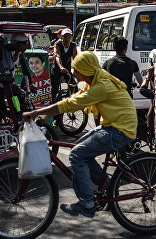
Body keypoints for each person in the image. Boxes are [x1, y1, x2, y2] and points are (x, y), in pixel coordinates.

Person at [23, 51, 137, 218]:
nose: (74, 73)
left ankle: (86, 203)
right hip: (115, 124)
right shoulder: (97, 77)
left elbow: (72, 103)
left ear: (85, 70)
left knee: (77, 154)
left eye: (76, 70)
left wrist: (35, 113)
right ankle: (108, 185)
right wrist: (47, 113)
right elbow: (77, 97)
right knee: (81, 151)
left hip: (120, 129)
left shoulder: (101, 86)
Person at [0, 33, 33, 120]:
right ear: (16, 43)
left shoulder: (20, 54)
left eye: (27, 43)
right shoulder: (5, 52)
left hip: (9, 85)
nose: (27, 46)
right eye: (24, 43)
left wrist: (31, 84)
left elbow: (25, 70)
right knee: (1, 113)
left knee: (21, 108)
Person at [52, 28, 78, 102]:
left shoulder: (73, 45)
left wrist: (76, 70)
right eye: (65, 37)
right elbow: (57, 56)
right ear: (61, 37)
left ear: (71, 38)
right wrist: (61, 67)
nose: (67, 39)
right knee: (54, 89)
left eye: (69, 37)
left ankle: (68, 97)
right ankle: (53, 104)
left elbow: (75, 58)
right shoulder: (58, 44)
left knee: (73, 85)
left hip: (67, 68)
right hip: (57, 68)